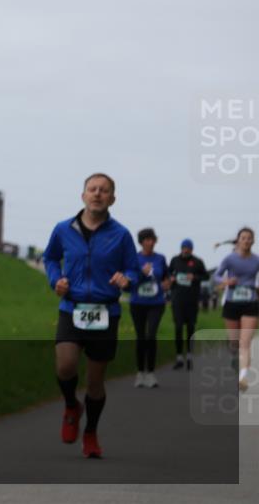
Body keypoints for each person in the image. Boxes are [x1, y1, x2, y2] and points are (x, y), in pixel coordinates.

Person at [42, 173, 138, 459]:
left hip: (105, 312)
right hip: (72, 308)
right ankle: (72, 405)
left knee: (95, 382)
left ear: (112, 198)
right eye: (92, 189)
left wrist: (126, 279)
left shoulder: (120, 234)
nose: (98, 194)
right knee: (65, 367)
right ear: (83, 195)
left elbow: (132, 269)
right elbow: (50, 258)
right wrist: (55, 279)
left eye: (104, 190)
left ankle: (91, 432)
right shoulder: (63, 229)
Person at [213, 227, 258, 392]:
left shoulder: (256, 260)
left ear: (253, 241)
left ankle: (243, 378)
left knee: (245, 343)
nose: (246, 240)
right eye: (243, 237)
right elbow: (216, 275)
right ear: (238, 240)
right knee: (234, 343)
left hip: (250, 303)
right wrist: (225, 281)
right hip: (232, 303)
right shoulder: (230, 259)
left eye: (249, 238)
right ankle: (234, 359)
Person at [129, 228, 169, 388]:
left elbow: (166, 276)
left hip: (156, 303)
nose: (150, 242)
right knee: (140, 337)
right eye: (147, 239)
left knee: (151, 335)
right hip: (137, 302)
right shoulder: (134, 258)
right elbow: (129, 278)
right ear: (141, 242)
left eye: (152, 239)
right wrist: (141, 273)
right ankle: (140, 373)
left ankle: (151, 373)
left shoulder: (160, 258)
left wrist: (168, 282)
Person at [168, 238, 209, 370]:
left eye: (188, 248)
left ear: (192, 249)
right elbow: (168, 273)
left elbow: (206, 276)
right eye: (184, 247)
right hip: (177, 299)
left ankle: (190, 356)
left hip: (192, 299)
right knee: (178, 327)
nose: (186, 250)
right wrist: (171, 278)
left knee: (190, 327)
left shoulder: (197, 262)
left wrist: (195, 277)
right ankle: (179, 356)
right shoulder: (175, 260)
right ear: (181, 248)